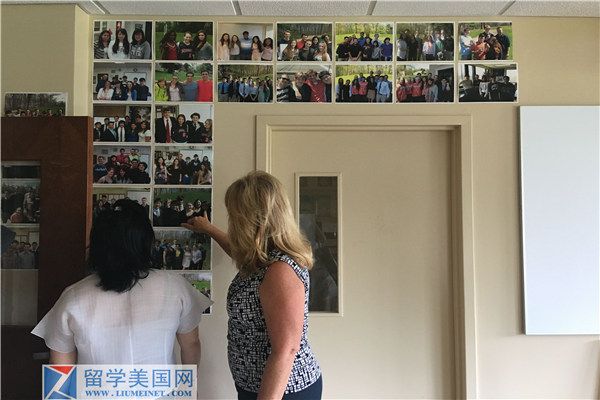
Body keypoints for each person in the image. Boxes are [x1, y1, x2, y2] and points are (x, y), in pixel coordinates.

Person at [182, 171, 322, 399]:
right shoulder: (265, 258)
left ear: (251, 220)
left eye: (234, 215)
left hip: (285, 391)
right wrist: (209, 229)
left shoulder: (280, 270)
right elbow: (240, 254)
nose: (231, 220)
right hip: (255, 386)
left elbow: (286, 351)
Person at [32, 199, 212, 364]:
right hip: (160, 387)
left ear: (97, 244)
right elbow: (191, 345)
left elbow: (61, 367)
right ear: (145, 241)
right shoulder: (175, 286)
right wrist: (188, 387)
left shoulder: (73, 296)